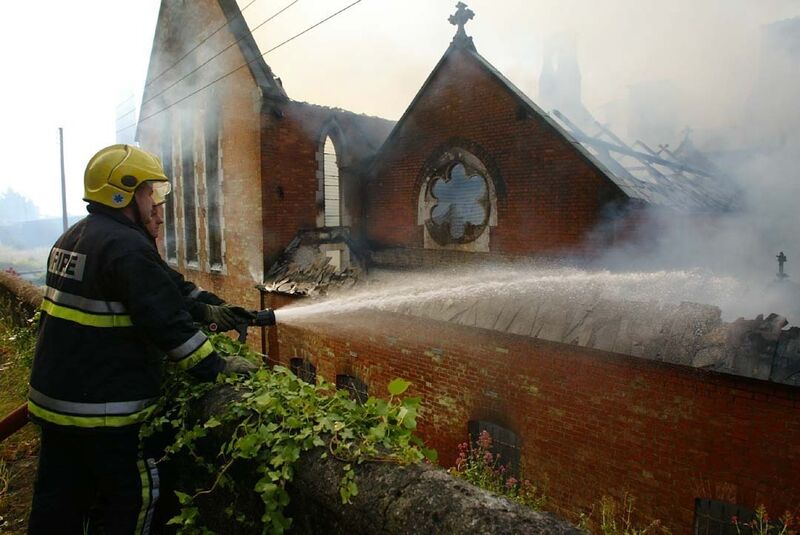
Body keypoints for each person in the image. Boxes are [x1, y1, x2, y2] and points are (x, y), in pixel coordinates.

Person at [27, 144, 256, 535]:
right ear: (125, 193)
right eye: (153, 194)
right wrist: (218, 367)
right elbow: (166, 323)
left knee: (59, 504)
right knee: (133, 499)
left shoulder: (78, 237)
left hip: (56, 404)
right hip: (106, 412)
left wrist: (212, 307)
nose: (158, 207)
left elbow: (161, 287)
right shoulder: (126, 247)